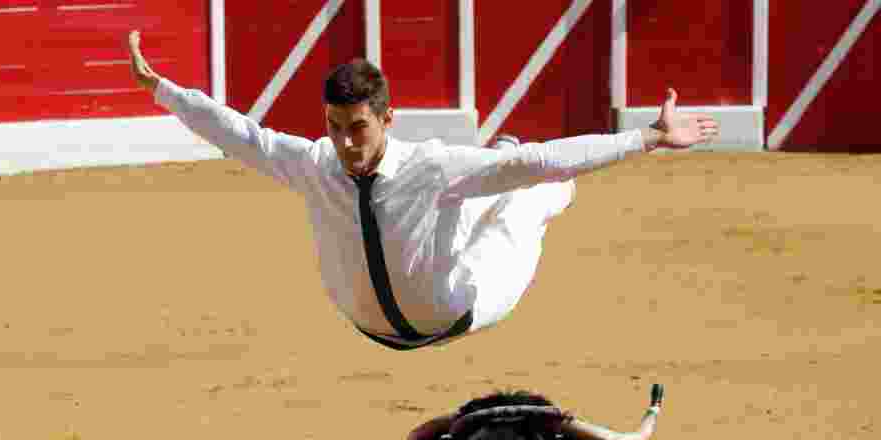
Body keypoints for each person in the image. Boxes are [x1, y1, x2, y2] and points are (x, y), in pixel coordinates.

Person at [126, 31, 719, 351]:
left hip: (457, 310)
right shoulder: (314, 162)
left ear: (388, 119)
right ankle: (501, 159)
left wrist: (647, 137)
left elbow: (543, 160)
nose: (345, 143)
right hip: (373, 322)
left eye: (358, 127)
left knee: (528, 191)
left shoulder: (430, 165)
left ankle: (521, 171)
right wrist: (163, 90)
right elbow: (238, 135)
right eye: (334, 126)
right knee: (495, 188)